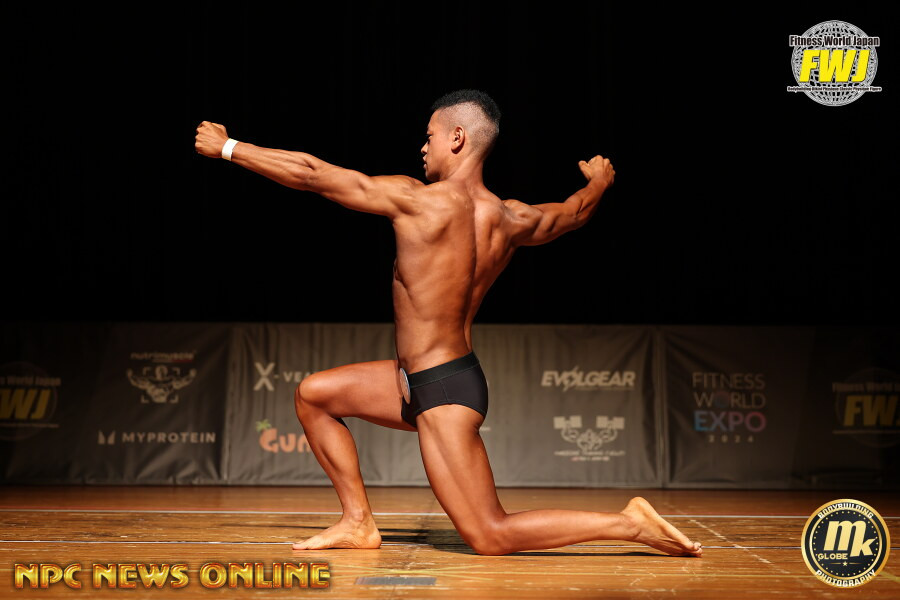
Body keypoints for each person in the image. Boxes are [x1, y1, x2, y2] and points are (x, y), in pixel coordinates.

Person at [195, 89, 701, 557]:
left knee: (489, 533)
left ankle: (629, 524)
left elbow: (311, 173)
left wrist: (229, 148)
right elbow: (572, 214)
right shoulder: (512, 218)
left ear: (457, 137)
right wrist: (599, 183)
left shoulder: (417, 200)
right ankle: (357, 522)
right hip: (424, 378)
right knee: (314, 395)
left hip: (442, 389)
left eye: (430, 135)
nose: (423, 147)